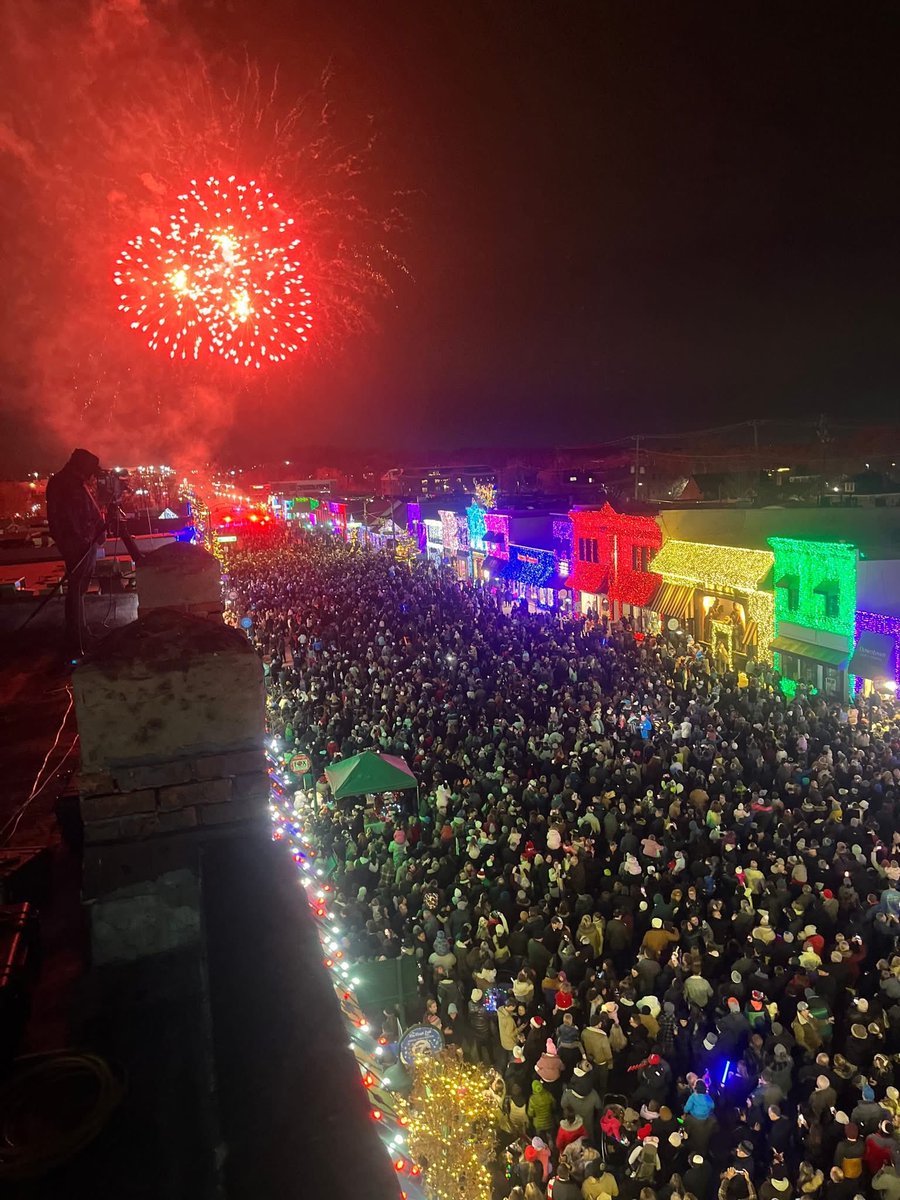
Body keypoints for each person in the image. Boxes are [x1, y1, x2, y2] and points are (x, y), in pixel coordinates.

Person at [45, 448, 105, 655]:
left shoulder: (73, 483)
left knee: (78, 589)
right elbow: (66, 518)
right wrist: (82, 540)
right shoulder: (64, 484)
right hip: (78, 545)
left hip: (84, 542)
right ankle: (77, 636)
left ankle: (79, 632)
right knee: (76, 589)